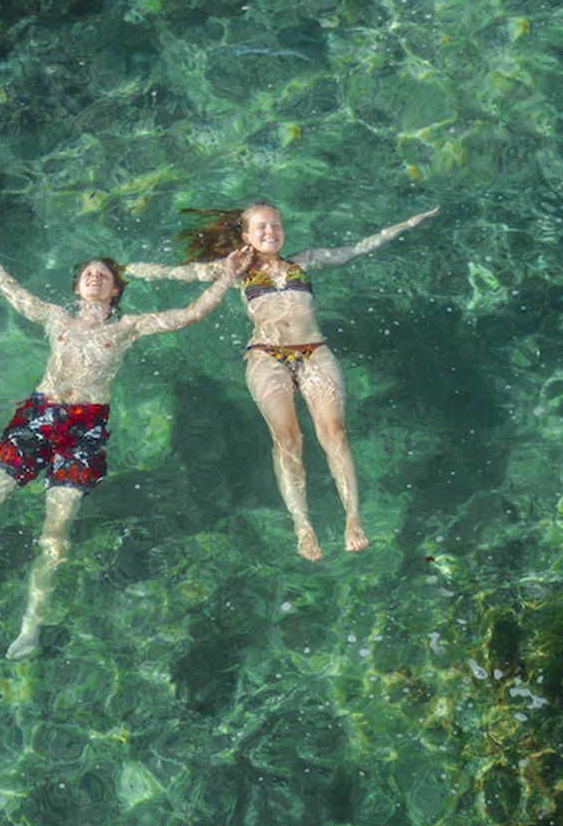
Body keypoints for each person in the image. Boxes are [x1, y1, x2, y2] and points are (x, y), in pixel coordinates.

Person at [0, 230, 247, 658]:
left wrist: (227, 276)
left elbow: (191, 313)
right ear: (76, 287)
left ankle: (30, 626)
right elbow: (8, 288)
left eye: (104, 275)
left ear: (116, 290)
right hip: (37, 417)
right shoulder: (56, 318)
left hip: (84, 430)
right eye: (89, 273)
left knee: (56, 530)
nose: (95, 277)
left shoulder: (129, 327)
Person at [126, 202, 438, 560]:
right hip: (265, 356)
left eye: (275, 225)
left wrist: (411, 221)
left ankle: (353, 518)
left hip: (315, 352)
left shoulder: (304, 261)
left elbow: (359, 248)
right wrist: (130, 269)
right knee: (288, 438)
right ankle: (302, 526)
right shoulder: (236, 270)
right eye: (261, 227)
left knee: (334, 432)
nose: (270, 231)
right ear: (245, 236)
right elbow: (178, 274)